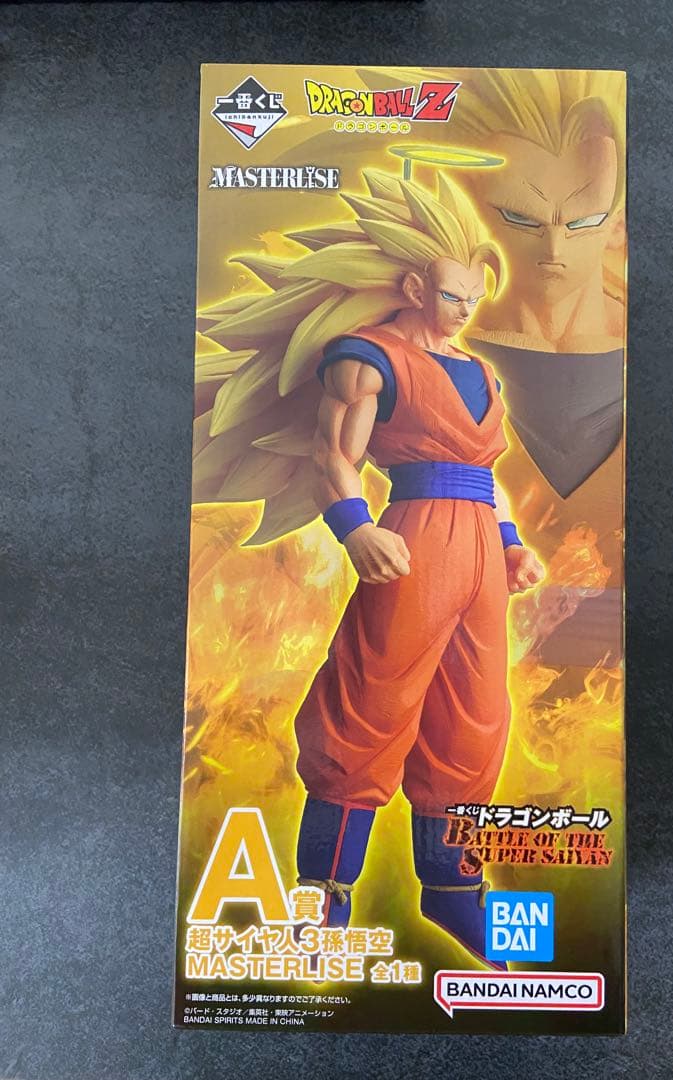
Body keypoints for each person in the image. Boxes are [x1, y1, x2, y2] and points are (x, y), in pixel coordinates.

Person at [193, 173, 541, 968]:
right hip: (414, 540)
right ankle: (324, 894)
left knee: (475, 716)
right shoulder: (368, 358)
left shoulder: (481, 371)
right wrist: (355, 530)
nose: (464, 310)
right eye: (451, 296)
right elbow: (332, 456)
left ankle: (453, 889)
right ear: (415, 288)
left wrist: (512, 541)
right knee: (369, 703)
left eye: (473, 299)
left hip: (480, 549)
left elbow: (487, 472)